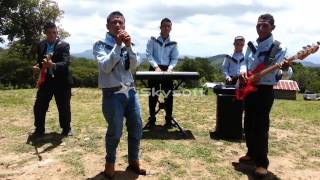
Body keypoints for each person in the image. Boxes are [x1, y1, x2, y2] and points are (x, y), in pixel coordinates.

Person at [93, 11, 146, 178]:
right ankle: (110, 163)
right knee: (115, 131)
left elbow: (135, 65)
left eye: (121, 23)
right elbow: (106, 67)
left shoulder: (128, 43)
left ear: (124, 25)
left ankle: (133, 161)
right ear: (107, 26)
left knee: (136, 126)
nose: (118, 25)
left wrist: (129, 46)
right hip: (112, 93)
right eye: (114, 22)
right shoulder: (100, 44)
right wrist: (117, 45)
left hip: (130, 91)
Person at [238, 13, 290, 177]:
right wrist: (242, 73)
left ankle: (262, 163)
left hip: (265, 90)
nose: (261, 28)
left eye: (265, 25)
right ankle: (251, 153)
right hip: (249, 87)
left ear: (273, 27)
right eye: (258, 25)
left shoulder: (279, 48)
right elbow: (244, 62)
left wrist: (285, 68)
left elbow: (286, 73)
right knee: (248, 123)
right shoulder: (251, 44)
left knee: (261, 126)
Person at [32, 22, 72, 137]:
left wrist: (53, 65)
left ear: (57, 32)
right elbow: (40, 62)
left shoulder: (64, 45)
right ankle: (39, 129)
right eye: (49, 33)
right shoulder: (41, 45)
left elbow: (66, 63)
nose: (52, 35)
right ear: (45, 33)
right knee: (39, 105)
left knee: (63, 106)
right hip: (46, 81)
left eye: (54, 32)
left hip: (62, 81)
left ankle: (66, 129)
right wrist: (37, 67)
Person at [145, 18, 179, 128]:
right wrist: (156, 66)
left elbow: (174, 58)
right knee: (153, 95)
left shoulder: (174, 43)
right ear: (160, 27)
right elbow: (149, 54)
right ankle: (152, 119)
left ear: (171, 28)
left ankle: (168, 120)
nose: (166, 28)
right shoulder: (153, 40)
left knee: (168, 96)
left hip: (167, 70)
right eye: (164, 26)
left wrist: (170, 68)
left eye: (168, 26)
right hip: (154, 68)